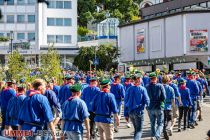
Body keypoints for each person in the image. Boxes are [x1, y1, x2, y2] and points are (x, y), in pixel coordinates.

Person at [124, 73, 150, 140]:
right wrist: (149, 108)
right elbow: (147, 100)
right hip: (138, 112)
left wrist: (125, 114)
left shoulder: (129, 89)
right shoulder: (142, 89)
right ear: (138, 80)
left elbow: (125, 102)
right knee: (139, 131)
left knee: (136, 130)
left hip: (130, 112)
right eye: (140, 78)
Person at [146, 72, 166, 140]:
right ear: (156, 78)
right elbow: (164, 97)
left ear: (150, 79)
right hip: (158, 106)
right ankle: (157, 136)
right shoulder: (160, 86)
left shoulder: (147, 86)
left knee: (152, 123)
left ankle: (152, 136)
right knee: (160, 123)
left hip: (150, 107)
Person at [162, 75, 175, 139]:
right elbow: (173, 99)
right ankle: (167, 129)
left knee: (163, 120)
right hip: (168, 106)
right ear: (168, 81)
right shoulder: (171, 88)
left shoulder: (160, 87)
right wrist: (174, 107)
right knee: (169, 120)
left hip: (161, 106)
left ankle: (164, 131)